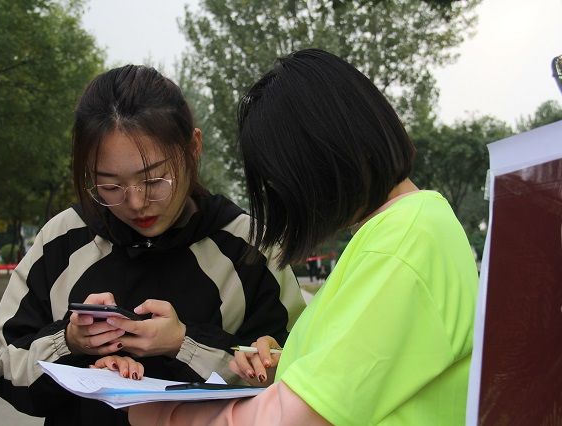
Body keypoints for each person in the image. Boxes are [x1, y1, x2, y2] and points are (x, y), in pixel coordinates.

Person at [125, 49, 478, 425]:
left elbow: (297, 418)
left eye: (279, 182)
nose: (284, 200)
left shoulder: (402, 245)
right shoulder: (410, 229)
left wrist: (164, 415)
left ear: (321, 160)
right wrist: (286, 365)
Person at [0, 64, 306, 425]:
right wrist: (70, 343)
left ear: (193, 148)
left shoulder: (250, 248)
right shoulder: (62, 239)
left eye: (153, 181)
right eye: (110, 185)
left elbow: (296, 379)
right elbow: (1, 367)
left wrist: (184, 343)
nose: (135, 203)